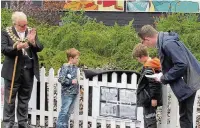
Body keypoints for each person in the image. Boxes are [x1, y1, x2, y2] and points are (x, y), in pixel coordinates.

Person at [138, 24, 200, 128]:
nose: (145, 45)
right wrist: (164, 73)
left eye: (143, 42)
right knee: (185, 116)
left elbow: (181, 64)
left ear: (147, 39)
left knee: (185, 118)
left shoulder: (167, 44)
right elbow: (177, 63)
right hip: (188, 80)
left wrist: (164, 78)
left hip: (187, 83)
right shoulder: (166, 41)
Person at [1, 11, 44, 128]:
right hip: (12, 71)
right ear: (15, 23)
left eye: (26, 24)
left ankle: (22, 123)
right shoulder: (6, 32)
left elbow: (40, 48)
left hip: (28, 70)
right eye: (22, 25)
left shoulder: (31, 31)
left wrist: (33, 42)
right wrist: (17, 47)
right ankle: (8, 123)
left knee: (24, 99)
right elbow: (4, 49)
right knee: (10, 99)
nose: (25, 27)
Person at [132, 43, 162, 128]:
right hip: (148, 98)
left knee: (150, 119)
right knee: (147, 119)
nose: (138, 60)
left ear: (141, 56)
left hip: (149, 99)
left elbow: (154, 83)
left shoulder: (149, 67)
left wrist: (154, 98)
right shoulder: (150, 64)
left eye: (137, 58)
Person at [56, 48, 80, 128]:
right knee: (64, 111)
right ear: (71, 58)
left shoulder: (75, 68)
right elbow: (61, 79)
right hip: (67, 93)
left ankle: (64, 126)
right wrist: (70, 82)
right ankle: (59, 126)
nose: (78, 60)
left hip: (74, 93)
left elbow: (75, 79)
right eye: (76, 58)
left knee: (68, 112)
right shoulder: (65, 66)